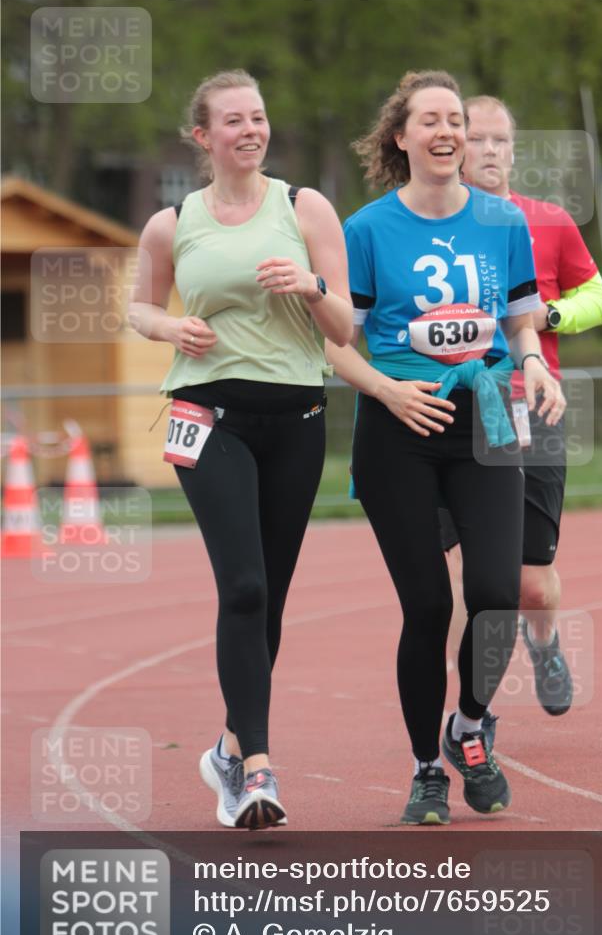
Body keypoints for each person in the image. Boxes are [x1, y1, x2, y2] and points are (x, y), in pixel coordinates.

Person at [326, 71, 565, 825]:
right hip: (399, 425)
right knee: (426, 605)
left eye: (454, 120)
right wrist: (387, 391)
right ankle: (426, 769)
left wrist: (528, 361)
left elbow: (522, 321)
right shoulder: (364, 230)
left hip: (487, 417)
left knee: (495, 594)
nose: (445, 131)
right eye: (428, 120)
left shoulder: (501, 221)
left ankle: (468, 726)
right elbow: (337, 345)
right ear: (400, 137)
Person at [129, 70, 353, 829]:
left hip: (295, 416)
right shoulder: (172, 221)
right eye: (233, 121)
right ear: (202, 137)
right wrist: (169, 328)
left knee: (270, 598)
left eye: (258, 117)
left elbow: (346, 328)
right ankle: (255, 769)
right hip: (206, 413)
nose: (250, 130)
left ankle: (228, 744)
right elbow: (139, 307)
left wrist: (312, 283)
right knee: (245, 588)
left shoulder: (304, 206)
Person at [440, 96, 602, 722]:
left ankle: (544, 642)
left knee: (531, 584)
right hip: (450, 414)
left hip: (531, 410)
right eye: (476, 139)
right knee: (472, 581)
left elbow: (598, 297)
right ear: (453, 147)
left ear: (514, 150)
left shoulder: (548, 220)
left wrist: (551, 314)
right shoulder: (429, 223)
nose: (488, 151)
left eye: (500, 141)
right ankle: (472, 711)